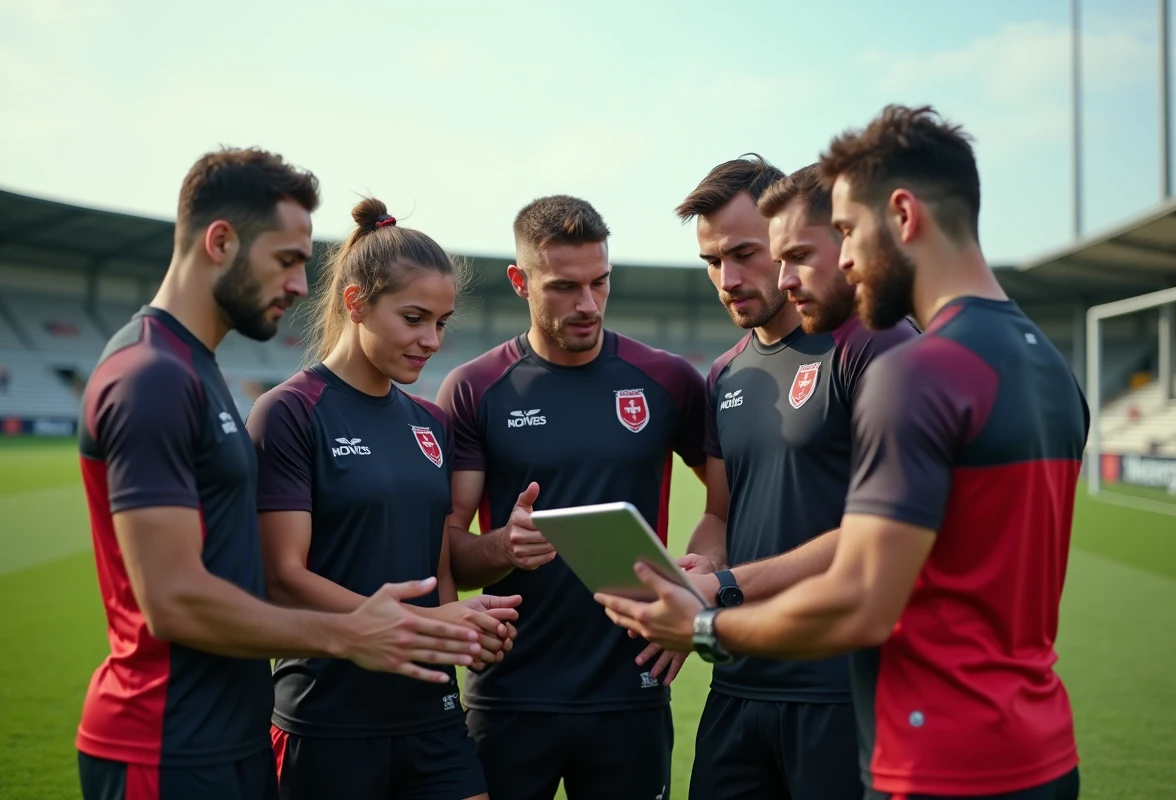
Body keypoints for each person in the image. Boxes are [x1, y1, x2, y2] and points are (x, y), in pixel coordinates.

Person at [596, 105, 1086, 800]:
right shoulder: (1049, 366)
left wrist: (706, 620)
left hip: (930, 751)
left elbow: (863, 597)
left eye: (845, 234)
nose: (844, 259)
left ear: (904, 216)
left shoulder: (912, 368)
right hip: (1034, 745)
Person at [76, 148, 486, 800]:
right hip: (166, 738)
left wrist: (441, 616)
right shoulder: (152, 375)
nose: (301, 285)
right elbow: (174, 598)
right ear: (221, 241)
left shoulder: (195, 371)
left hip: (230, 731)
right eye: (288, 260)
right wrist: (360, 632)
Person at [652, 156, 917, 800]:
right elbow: (720, 512)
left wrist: (724, 588)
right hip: (737, 683)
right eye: (712, 262)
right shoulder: (724, 374)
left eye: (744, 253)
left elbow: (876, 534)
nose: (728, 278)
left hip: (841, 688)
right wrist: (697, 570)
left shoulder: (876, 346)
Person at [247, 198, 521, 800]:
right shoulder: (291, 413)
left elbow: (437, 561)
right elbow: (282, 576)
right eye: (415, 318)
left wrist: (464, 630)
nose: (431, 340)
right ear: (356, 304)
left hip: (433, 713)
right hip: (326, 717)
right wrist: (430, 624)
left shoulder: (431, 421)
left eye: (442, 323)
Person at [435, 194, 707, 800]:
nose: (588, 305)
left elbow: (727, 504)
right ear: (519, 281)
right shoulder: (475, 389)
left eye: (599, 282)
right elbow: (449, 545)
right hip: (508, 691)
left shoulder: (666, 381)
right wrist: (505, 545)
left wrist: (695, 594)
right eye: (563, 287)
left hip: (631, 686)